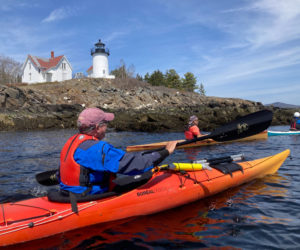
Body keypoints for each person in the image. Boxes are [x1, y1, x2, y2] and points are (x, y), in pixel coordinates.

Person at [59, 107, 177, 195]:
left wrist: (155, 152)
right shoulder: (97, 149)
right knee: (145, 174)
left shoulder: (72, 142)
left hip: (68, 193)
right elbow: (136, 166)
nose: (107, 128)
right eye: (106, 124)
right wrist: (165, 152)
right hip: (88, 196)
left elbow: (123, 158)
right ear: (97, 127)